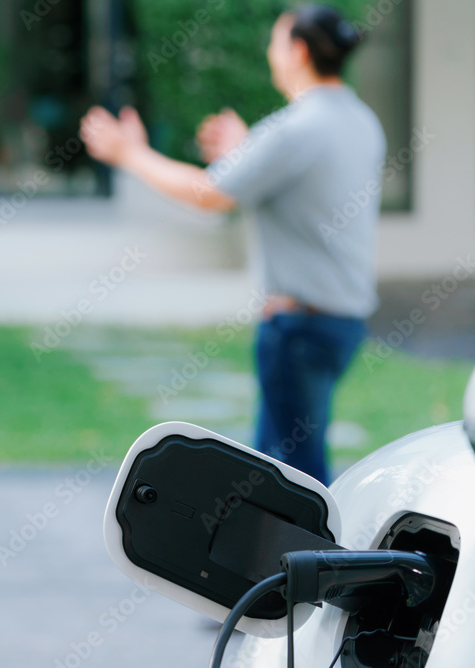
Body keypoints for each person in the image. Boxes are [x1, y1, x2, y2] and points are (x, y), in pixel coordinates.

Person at [79, 5, 385, 485]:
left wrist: (129, 154)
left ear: (298, 51)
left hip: (297, 328)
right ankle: (281, 559)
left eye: (276, 41)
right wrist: (247, 150)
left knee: (296, 480)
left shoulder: (297, 128)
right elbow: (304, 186)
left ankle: (318, 559)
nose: (269, 51)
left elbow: (210, 193)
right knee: (269, 470)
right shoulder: (361, 122)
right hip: (341, 322)